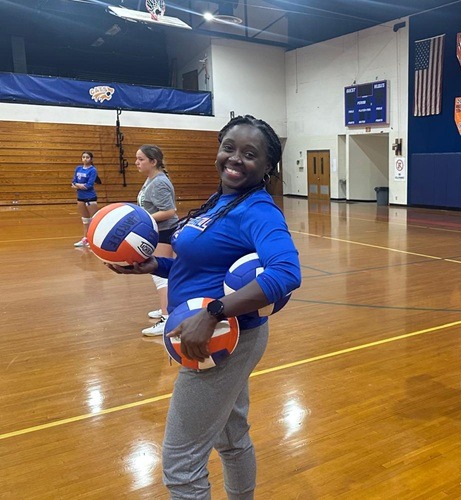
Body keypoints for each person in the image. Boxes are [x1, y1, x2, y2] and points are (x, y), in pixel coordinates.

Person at [106, 115, 301, 498]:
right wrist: (155, 265)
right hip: (216, 334)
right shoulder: (221, 201)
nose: (236, 158)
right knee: (231, 439)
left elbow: (286, 272)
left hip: (223, 341)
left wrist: (214, 314)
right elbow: (200, 267)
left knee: (181, 465)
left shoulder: (258, 211)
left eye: (250, 154)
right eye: (229, 148)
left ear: (267, 166)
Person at [135, 145, 179, 337]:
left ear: (153, 162)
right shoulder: (151, 179)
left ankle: (167, 319)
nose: (137, 162)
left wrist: (143, 220)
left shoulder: (159, 182)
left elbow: (169, 211)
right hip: (157, 232)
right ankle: (165, 308)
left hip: (165, 232)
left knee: (160, 275)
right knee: (161, 274)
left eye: (141, 159)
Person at [71, 151, 100, 247]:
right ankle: (85, 239)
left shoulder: (93, 170)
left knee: (94, 220)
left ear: (91, 159)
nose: (85, 159)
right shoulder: (78, 168)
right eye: (83, 157)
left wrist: (77, 185)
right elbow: (73, 182)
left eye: (87, 157)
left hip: (90, 197)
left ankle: (94, 240)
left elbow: (89, 185)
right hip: (80, 197)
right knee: (85, 220)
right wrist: (79, 185)